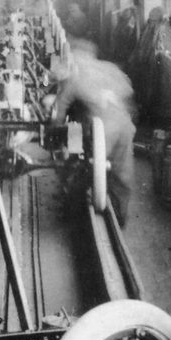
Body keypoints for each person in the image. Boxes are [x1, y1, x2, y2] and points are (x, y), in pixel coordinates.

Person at [50, 39, 137, 223]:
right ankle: (119, 218)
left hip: (102, 131)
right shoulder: (110, 68)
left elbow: (60, 109)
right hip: (124, 125)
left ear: (76, 57)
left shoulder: (75, 75)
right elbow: (128, 91)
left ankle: (71, 213)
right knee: (122, 174)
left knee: (77, 166)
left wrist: (55, 132)